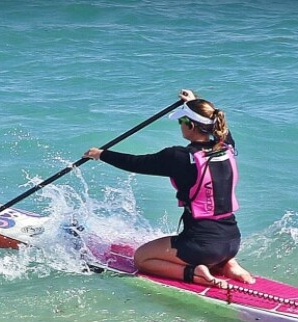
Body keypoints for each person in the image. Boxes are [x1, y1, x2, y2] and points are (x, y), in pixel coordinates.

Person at [83, 89, 255, 287]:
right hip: (232, 241)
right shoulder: (227, 148)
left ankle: (195, 272)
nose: (180, 125)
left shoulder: (179, 157)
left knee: (142, 258)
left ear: (190, 125)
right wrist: (194, 102)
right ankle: (228, 265)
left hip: (200, 246)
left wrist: (102, 154)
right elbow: (221, 129)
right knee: (211, 245)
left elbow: (136, 163)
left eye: (181, 121)